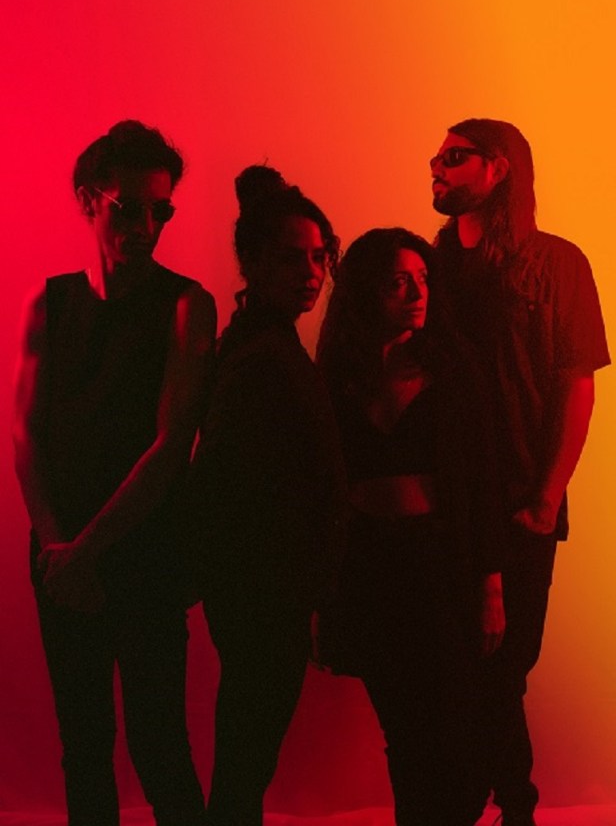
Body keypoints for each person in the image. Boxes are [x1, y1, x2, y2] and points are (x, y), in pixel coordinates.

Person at [12, 120, 216, 826]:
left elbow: (171, 444)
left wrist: (77, 551)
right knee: (85, 744)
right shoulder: (50, 303)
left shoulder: (186, 304)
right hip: (64, 552)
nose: (146, 226)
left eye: (160, 210)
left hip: (144, 554)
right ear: (88, 199)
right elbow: (24, 434)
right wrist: (55, 546)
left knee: (159, 744)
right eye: (129, 208)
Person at [430, 117, 610, 826]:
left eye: (454, 156)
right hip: (443, 498)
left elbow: (576, 383)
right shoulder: (432, 265)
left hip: (516, 499)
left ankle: (504, 803)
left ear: (499, 168)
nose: (436, 166)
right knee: (460, 664)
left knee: (504, 664)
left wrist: (545, 497)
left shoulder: (557, 264)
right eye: (438, 156)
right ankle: (502, 803)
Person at [316, 227, 506, 826]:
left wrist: (490, 585)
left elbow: (484, 481)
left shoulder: (452, 368)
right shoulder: (338, 373)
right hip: (370, 563)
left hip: (438, 562)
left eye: (423, 280)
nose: (417, 294)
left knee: (455, 727)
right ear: (367, 290)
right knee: (401, 726)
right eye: (399, 282)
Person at [188, 165, 347, 826]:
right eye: (291, 258)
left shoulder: (259, 342)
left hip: (259, 586)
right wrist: (300, 587)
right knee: (247, 756)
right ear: (251, 262)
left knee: (246, 753)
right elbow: (231, 483)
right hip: (263, 588)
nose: (310, 273)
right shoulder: (262, 356)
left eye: (318, 257)